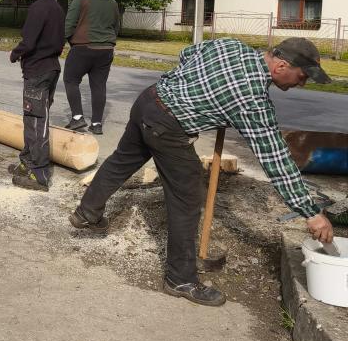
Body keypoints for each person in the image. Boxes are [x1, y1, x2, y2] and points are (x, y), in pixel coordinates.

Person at [69, 37, 335, 308]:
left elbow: (188, 53)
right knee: (187, 198)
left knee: (122, 160)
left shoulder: (232, 46)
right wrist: (311, 213)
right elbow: (276, 159)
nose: (301, 84)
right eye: (302, 77)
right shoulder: (252, 100)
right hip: (168, 126)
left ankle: (87, 212)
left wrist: (202, 92)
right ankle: (180, 279)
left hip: (149, 100)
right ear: (281, 66)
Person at [8, 0, 66, 192]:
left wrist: (15, 53)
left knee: (36, 120)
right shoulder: (57, 6)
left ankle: (39, 173)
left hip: (38, 70)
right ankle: (28, 161)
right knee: (32, 116)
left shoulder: (39, 7)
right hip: (51, 67)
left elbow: (29, 41)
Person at [63, 0, 119, 135]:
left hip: (83, 47)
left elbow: (69, 24)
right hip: (106, 49)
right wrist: (108, 41)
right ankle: (96, 124)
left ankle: (77, 117)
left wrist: (67, 41)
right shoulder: (112, 1)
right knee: (99, 85)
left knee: (71, 79)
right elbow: (116, 26)